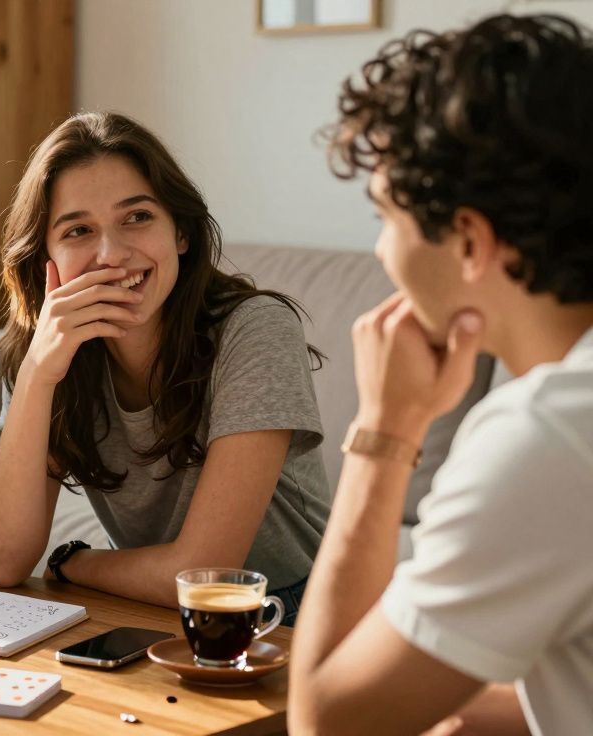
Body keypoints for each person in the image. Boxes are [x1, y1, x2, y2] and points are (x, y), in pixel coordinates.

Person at [287, 14, 593, 735]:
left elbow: (327, 722)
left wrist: (385, 428)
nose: (382, 254)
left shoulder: (547, 436)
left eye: (384, 217)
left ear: (469, 242)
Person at [0, 111, 329, 622]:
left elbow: (206, 575)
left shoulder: (256, 330)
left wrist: (76, 564)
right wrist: (37, 375)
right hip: (154, 607)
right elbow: (4, 561)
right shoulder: (49, 353)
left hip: (293, 612)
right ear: (44, 258)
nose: (111, 254)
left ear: (180, 234)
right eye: (78, 230)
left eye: (137, 217)